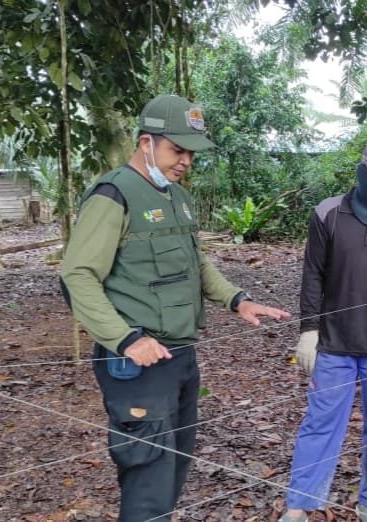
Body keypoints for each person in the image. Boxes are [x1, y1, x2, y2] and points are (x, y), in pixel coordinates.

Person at [61, 94, 291, 521]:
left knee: (173, 467)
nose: (185, 161)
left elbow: (196, 262)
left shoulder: (177, 198)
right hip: (137, 364)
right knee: (147, 473)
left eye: (190, 153)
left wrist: (237, 300)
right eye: (177, 150)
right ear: (146, 142)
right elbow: (76, 275)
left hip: (181, 357)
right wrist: (126, 339)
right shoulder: (114, 195)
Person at [280, 138, 367, 522]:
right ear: (364, 172)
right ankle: (299, 504)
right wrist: (309, 330)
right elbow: (313, 276)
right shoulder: (328, 213)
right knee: (321, 422)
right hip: (335, 344)